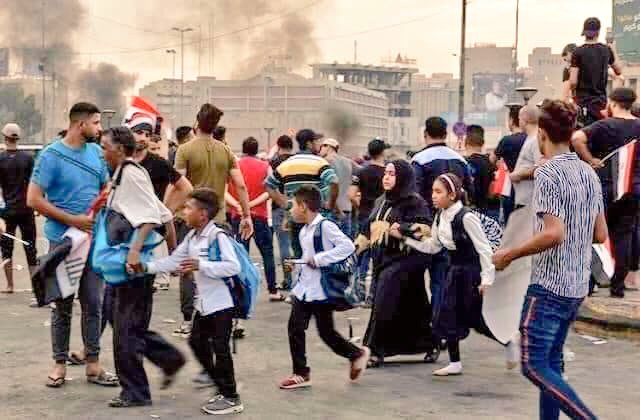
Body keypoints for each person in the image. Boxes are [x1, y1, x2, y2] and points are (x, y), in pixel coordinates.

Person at [493, 99, 607, 420]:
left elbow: (554, 233)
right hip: (577, 285)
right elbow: (600, 234)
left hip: (549, 286)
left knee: (534, 365)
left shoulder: (548, 173)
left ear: (541, 134)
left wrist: (509, 254)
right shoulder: (589, 173)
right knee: (552, 363)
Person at [27, 102, 116, 388]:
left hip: (92, 241)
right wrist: (72, 220)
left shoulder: (96, 153)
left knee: (93, 303)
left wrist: (103, 202)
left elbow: (105, 187)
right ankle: (59, 364)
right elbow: (33, 199)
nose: (100, 128)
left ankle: (93, 364)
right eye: (96, 123)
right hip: (62, 242)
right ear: (81, 124)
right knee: (62, 304)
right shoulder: (51, 156)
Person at [393, 173, 518, 376]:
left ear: (452, 195)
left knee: (475, 319)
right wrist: (405, 239)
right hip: (453, 272)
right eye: (433, 191)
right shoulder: (440, 216)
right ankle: (455, 362)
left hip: (471, 273)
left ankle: (508, 342)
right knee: (447, 315)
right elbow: (433, 247)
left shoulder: (466, 217)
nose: (433, 196)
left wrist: (487, 280)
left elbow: (484, 250)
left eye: (438, 192)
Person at [99, 126, 185, 408]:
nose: (102, 152)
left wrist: (135, 252)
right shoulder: (124, 174)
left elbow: (151, 217)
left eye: (105, 147)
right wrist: (173, 252)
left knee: (126, 330)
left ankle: (136, 392)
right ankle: (168, 358)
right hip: (123, 265)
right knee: (119, 320)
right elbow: (165, 215)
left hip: (131, 266)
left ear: (119, 149)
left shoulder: (131, 175)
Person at [145, 188, 244, 414]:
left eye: (189, 208)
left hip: (222, 303)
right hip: (205, 305)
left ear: (203, 214)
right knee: (196, 342)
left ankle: (232, 397)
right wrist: (145, 267)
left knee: (220, 349)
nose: (184, 211)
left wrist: (202, 265)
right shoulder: (192, 237)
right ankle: (222, 385)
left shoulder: (217, 236)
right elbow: (174, 261)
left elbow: (233, 267)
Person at [173, 103, 253, 337]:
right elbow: (240, 185)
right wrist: (246, 215)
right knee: (222, 268)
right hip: (218, 219)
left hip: (190, 219)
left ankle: (188, 319)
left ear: (196, 123)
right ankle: (231, 318)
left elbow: (178, 185)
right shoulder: (226, 151)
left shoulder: (184, 150)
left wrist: (169, 211)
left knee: (189, 269)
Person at [279, 186, 370, 390]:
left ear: (303, 206)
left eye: (293, 205)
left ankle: (356, 354)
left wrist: (320, 259)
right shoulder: (304, 230)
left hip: (321, 290)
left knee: (326, 332)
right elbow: (308, 258)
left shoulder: (325, 226)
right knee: (296, 327)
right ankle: (301, 373)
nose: (291, 210)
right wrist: (297, 264)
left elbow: (347, 246)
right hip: (305, 289)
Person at [357, 160, 437, 367]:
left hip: (406, 261)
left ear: (402, 177)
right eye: (386, 173)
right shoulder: (381, 201)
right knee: (413, 305)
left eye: (392, 174)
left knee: (383, 301)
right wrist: (353, 249)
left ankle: (373, 350)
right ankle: (429, 343)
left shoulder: (414, 202)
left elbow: (426, 229)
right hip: (384, 260)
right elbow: (367, 230)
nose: (386, 177)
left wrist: (401, 229)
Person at [572, 87, 640, 298]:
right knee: (624, 235)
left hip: (605, 187)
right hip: (632, 188)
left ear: (613, 103)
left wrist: (590, 159)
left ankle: (590, 282)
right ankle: (617, 286)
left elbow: (577, 138)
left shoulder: (604, 125)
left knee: (594, 234)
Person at [411, 116, 474, 329]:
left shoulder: (419, 161)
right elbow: (470, 192)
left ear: (425, 134)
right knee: (445, 280)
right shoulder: (460, 160)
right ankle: (445, 326)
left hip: (427, 227)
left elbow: (413, 195)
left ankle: (431, 325)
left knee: (422, 279)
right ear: (446, 134)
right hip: (455, 227)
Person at [129, 114, 193, 291]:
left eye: (147, 134)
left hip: (150, 232)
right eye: (139, 132)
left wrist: (166, 211)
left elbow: (185, 188)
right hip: (124, 230)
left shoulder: (158, 163)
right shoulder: (122, 161)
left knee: (144, 288)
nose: (143, 138)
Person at [265, 129, 340, 260]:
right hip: (317, 218)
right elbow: (333, 181)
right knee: (321, 257)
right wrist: (331, 204)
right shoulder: (319, 162)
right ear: (309, 143)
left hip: (296, 218)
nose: (319, 145)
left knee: (300, 257)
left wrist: (285, 205)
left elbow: (268, 184)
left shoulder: (286, 164)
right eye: (316, 142)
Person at [227, 137, 282, 301]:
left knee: (240, 254)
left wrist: (239, 205)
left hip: (238, 215)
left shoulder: (234, 165)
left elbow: (225, 190)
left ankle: (241, 290)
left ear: (243, 149)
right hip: (260, 215)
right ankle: (273, 290)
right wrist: (252, 204)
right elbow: (270, 190)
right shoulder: (265, 166)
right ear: (256, 150)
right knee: (267, 253)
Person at [350, 138, 389, 303]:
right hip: (382, 218)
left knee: (361, 253)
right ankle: (372, 295)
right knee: (378, 257)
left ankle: (358, 292)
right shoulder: (388, 173)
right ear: (383, 152)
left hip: (364, 216)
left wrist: (360, 207)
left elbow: (351, 195)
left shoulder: (361, 172)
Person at [0, 123, 37, 294]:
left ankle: (10, 285)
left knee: (6, 248)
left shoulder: (0, 159)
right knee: (30, 247)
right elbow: (34, 183)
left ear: (5, 137)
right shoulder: (28, 158)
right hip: (26, 209)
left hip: (7, 211)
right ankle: (35, 287)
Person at [570, 17, 623, 127]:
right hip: (601, 103)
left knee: (584, 131)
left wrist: (573, 95)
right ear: (598, 32)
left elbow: (573, 81)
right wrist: (613, 50)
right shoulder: (606, 50)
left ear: (584, 32)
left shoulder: (577, 52)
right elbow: (618, 70)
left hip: (583, 102)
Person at [491, 104, 527, 225]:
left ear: (511, 120)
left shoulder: (506, 141)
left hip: (511, 187)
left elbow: (492, 159)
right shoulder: (533, 139)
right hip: (530, 189)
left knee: (510, 225)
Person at [270, 135, 295, 290]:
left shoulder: (274, 162)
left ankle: (288, 279)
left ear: (279, 146)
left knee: (284, 245)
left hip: (279, 205)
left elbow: (269, 185)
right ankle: (301, 278)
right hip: (297, 205)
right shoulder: (296, 161)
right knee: (299, 243)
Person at [319, 137, 355, 237]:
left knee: (328, 243)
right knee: (345, 243)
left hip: (330, 209)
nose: (320, 150)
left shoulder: (324, 162)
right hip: (347, 208)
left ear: (328, 146)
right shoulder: (349, 162)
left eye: (322, 147)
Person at [511, 105, 543, 208]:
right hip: (525, 200)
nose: (519, 121)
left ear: (525, 119)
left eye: (519, 119)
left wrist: (519, 175)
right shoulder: (531, 138)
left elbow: (541, 166)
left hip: (529, 202)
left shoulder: (535, 140)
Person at [464, 125, 497, 219]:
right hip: (485, 211)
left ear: (465, 143)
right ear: (483, 143)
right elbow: (492, 192)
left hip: (467, 212)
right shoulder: (489, 163)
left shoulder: (463, 163)